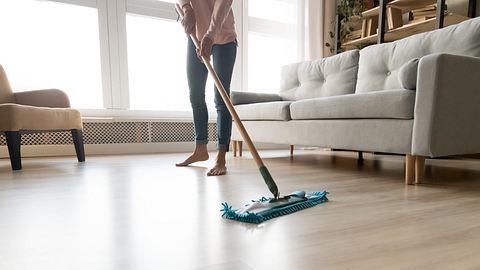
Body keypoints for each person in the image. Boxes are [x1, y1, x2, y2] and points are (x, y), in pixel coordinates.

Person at [175, 0, 237, 176]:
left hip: (224, 38)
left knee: (221, 96)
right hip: (196, 36)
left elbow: (223, 4)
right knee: (195, 94)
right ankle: (200, 149)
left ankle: (221, 156)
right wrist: (187, 8)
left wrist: (210, 35)